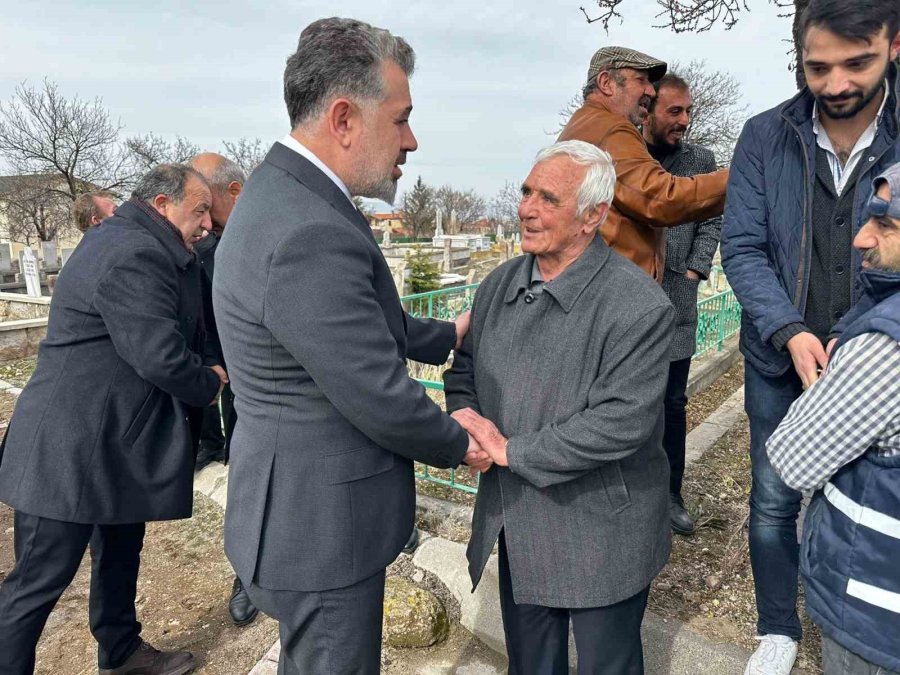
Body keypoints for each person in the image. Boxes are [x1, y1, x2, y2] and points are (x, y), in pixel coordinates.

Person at [212, 18, 485, 675]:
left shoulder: (287, 194)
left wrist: (448, 333)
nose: (412, 140)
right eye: (401, 119)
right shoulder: (308, 227)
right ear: (343, 118)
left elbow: (352, 323)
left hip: (294, 502)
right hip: (321, 526)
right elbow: (376, 392)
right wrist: (463, 442)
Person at [446, 140, 674, 675]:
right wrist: (466, 420)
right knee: (531, 664)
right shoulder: (499, 284)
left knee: (607, 665)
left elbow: (621, 422)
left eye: (547, 198)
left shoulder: (637, 305)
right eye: (526, 191)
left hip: (600, 527)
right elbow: (465, 369)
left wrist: (511, 450)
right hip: (519, 519)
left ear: (592, 216)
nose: (526, 208)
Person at [720, 1, 900, 672]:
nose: (835, 85)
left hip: (875, 364)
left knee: (868, 497)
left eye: (858, 63)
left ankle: (857, 615)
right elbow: (741, 248)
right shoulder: (765, 135)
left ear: (893, 45)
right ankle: (777, 626)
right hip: (777, 356)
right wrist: (789, 330)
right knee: (772, 495)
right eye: (817, 67)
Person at [0, 164, 225, 675]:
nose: (208, 224)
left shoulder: (148, 244)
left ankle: (121, 652)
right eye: (199, 210)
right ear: (163, 203)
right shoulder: (133, 252)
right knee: (39, 579)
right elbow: (160, 355)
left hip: (113, 439)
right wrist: (209, 383)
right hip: (68, 446)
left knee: (120, 551)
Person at [768, 162, 900, 674]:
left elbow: (793, 458)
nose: (861, 238)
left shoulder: (883, 351)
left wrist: (825, 384)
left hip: (875, 611)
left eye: (885, 225)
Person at [558, 46, 728, 281]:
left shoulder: (584, 123)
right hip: (613, 289)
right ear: (606, 82)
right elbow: (660, 199)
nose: (650, 90)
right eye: (641, 80)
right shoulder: (612, 129)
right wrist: (743, 175)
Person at [642, 73, 723, 535]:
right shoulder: (629, 155)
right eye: (675, 112)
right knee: (633, 402)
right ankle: (633, 493)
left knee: (673, 402)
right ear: (650, 111)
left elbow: (713, 219)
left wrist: (694, 269)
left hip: (677, 297)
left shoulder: (701, 160)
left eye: (688, 111)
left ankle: (671, 495)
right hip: (631, 301)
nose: (685, 121)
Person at [189, 152, 258, 628]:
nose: (205, 219)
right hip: (241, 387)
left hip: (301, 384)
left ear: (234, 191)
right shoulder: (204, 249)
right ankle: (248, 574)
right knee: (247, 477)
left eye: (209, 206)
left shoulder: (274, 227)